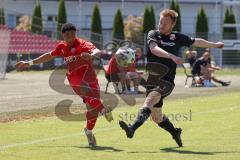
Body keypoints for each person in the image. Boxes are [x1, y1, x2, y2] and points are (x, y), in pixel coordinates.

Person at [119, 9, 224, 147]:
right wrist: (171, 56)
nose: (161, 25)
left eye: (165, 23)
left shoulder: (177, 37)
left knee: (149, 101)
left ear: (172, 25)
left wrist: (214, 45)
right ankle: (175, 132)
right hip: (152, 80)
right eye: (160, 21)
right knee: (157, 117)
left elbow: (196, 41)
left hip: (166, 81)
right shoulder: (153, 34)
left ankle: (132, 129)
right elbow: (154, 49)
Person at [15, 23, 113, 147]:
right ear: (63, 35)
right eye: (67, 35)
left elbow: (97, 51)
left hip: (91, 79)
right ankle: (104, 110)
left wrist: (91, 55)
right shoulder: (61, 46)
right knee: (91, 98)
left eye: (73, 34)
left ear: (75, 34)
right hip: (75, 78)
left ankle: (88, 131)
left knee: (92, 110)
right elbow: (49, 56)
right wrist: (29, 63)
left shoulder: (83, 44)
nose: (70, 37)